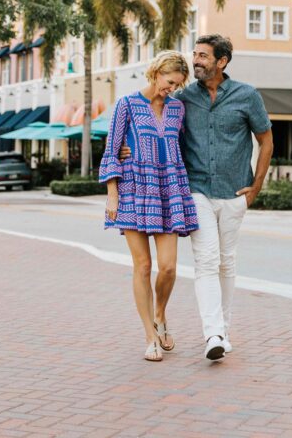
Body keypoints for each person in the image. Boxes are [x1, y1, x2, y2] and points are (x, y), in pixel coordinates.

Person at [122, 34, 273, 361]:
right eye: (195, 54)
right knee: (206, 260)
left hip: (235, 192)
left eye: (204, 56)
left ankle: (224, 329)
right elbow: (154, 120)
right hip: (195, 191)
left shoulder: (247, 95)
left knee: (226, 261)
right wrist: (129, 149)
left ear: (222, 62)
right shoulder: (183, 97)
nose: (197, 60)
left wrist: (256, 187)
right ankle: (213, 334)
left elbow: (266, 140)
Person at [99, 51, 198, 363]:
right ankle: (149, 335)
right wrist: (112, 194)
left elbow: (180, 147)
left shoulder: (177, 109)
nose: (173, 88)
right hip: (133, 190)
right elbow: (112, 151)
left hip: (168, 190)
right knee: (142, 266)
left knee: (168, 266)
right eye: (170, 82)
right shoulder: (127, 104)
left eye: (178, 85)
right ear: (156, 73)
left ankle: (160, 314)